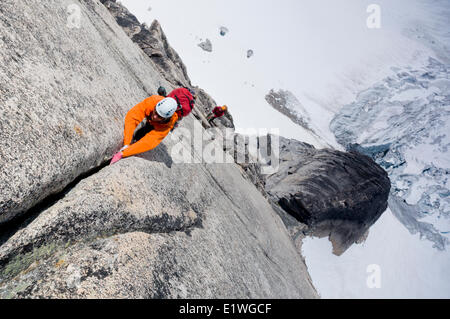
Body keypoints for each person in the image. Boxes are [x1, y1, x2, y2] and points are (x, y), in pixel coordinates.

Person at [110, 95, 178, 164]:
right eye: (156, 112)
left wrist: (124, 153)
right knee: (146, 125)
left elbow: (148, 143)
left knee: (147, 130)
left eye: (159, 116)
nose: (155, 116)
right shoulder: (152, 101)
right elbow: (132, 118)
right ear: (155, 107)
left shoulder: (167, 125)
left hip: (158, 125)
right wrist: (126, 143)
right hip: (151, 116)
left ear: (165, 118)